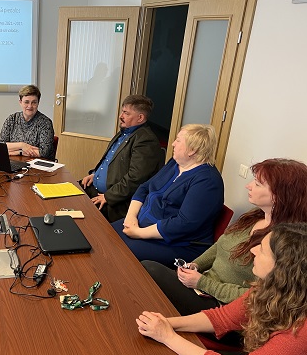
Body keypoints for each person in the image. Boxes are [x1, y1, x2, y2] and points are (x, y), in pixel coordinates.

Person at [136, 223, 307, 355]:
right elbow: (222, 318)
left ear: (283, 269)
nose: (253, 250)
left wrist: (168, 336)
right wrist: (166, 323)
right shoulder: (270, 289)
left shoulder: (302, 332)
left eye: (262, 250)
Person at [143, 158, 307, 316]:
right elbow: (220, 245)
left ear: (279, 196)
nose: (248, 186)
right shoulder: (254, 216)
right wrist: (195, 265)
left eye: (257, 184)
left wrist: (203, 283)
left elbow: (258, 297)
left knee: (150, 270)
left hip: (223, 305)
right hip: (203, 285)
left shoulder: (284, 243)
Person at [112, 124, 224, 267]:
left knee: (117, 251)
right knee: (104, 233)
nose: (173, 144)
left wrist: (139, 233)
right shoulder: (175, 163)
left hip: (178, 244)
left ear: (192, 150)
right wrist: (131, 217)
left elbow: (182, 224)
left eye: (178, 140)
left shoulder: (207, 181)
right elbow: (144, 188)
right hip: (144, 225)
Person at [79, 94, 161, 222]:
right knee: (63, 194)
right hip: (94, 187)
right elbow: (109, 162)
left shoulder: (146, 140)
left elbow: (135, 179)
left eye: (126, 113)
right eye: (122, 111)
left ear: (140, 118)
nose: (120, 116)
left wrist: (108, 196)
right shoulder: (124, 133)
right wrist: (95, 174)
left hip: (114, 201)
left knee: (76, 216)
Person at [0, 85, 55, 160]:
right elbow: (1, 146)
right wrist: (22, 146)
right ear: (20, 102)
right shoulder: (11, 119)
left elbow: (44, 152)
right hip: (13, 162)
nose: (30, 106)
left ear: (38, 103)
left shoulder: (45, 123)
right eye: (26, 102)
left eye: (34, 102)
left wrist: (18, 151)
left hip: (37, 164)